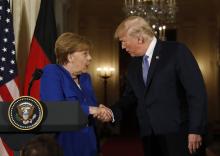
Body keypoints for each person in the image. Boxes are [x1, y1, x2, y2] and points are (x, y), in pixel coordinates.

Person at [97, 16, 208, 156]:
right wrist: (112, 113)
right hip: (149, 137)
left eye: (124, 42)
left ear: (140, 39)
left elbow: (197, 93)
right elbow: (129, 99)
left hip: (180, 135)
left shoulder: (177, 52)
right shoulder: (133, 66)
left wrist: (195, 129)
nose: (123, 47)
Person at [40, 32, 110, 156]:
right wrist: (92, 110)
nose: (90, 58)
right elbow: (54, 108)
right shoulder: (52, 72)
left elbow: (92, 106)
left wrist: (101, 111)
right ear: (70, 57)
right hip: (65, 143)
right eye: (85, 53)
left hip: (90, 143)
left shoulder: (85, 78)